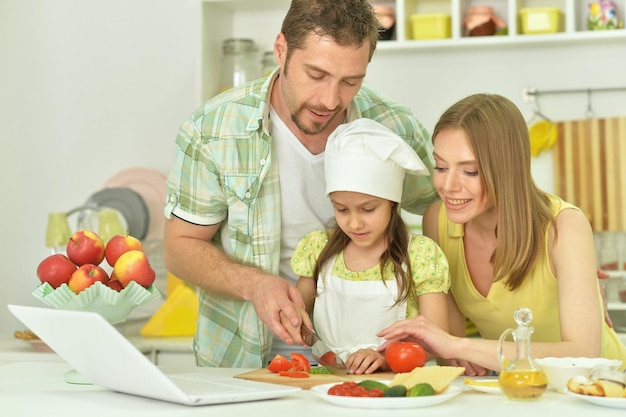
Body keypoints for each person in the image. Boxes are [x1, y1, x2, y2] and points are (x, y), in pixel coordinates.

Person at [162, 0, 438, 368]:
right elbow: (180, 247)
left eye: (350, 82)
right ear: (281, 51)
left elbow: (442, 208)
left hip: (372, 363)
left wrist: (435, 285)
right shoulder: (214, 130)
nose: (330, 100)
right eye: (317, 75)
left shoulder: (392, 125)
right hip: (244, 361)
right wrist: (255, 284)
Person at [377, 93, 626, 375]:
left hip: (599, 387)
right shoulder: (437, 220)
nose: (447, 185)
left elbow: (582, 354)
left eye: (469, 171)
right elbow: (450, 349)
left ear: (506, 169)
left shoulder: (564, 226)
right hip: (515, 383)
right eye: (441, 166)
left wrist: (461, 348)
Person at [290, 119, 450, 375]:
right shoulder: (317, 248)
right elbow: (300, 317)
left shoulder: (420, 256)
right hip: (328, 383)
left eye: (368, 209)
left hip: (396, 384)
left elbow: (438, 339)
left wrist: (386, 358)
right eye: (341, 209)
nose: (354, 223)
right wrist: (293, 319)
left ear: (392, 203)